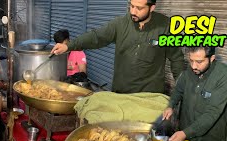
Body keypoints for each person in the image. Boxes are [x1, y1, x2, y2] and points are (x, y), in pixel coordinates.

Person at [51, 0, 184, 94]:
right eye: (131, 6)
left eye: (139, 8)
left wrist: (182, 88)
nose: (133, 11)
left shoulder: (166, 26)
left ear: (152, 7)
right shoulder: (120, 24)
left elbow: (177, 59)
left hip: (151, 96)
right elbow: (96, 37)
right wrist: (69, 46)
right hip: (121, 93)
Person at [163, 46, 227, 141]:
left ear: (212, 58)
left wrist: (185, 133)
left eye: (199, 61)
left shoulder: (223, 76)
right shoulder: (191, 69)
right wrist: (171, 105)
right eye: (191, 60)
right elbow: (178, 90)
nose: (193, 66)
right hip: (186, 136)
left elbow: (212, 113)